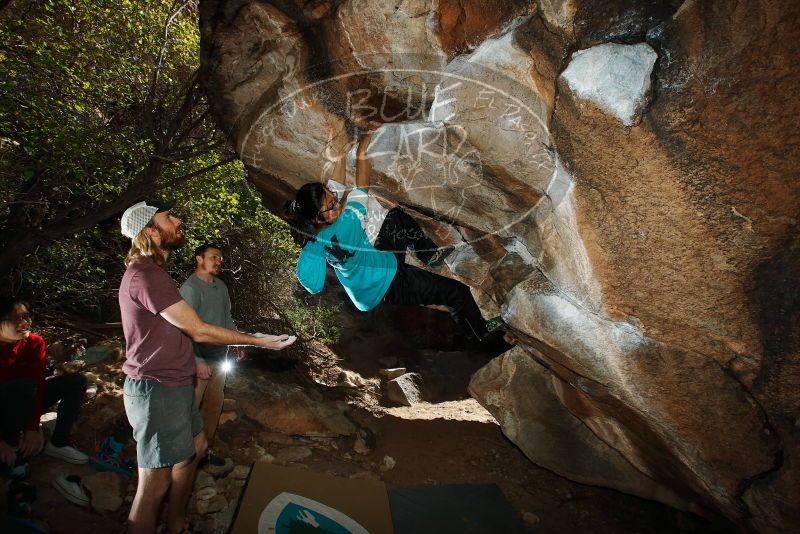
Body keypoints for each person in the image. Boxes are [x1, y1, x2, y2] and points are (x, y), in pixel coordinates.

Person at [118, 199, 295, 534]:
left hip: (175, 384)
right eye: (169, 217)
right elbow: (197, 328)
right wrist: (257, 340)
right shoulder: (146, 274)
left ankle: (177, 522)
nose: (178, 220)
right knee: (153, 486)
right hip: (156, 388)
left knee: (195, 448)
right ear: (150, 231)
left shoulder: (156, 274)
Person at [284, 132, 504, 341]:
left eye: (333, 198)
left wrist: (341, 154)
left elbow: (334, 188)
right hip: (389, 283)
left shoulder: (313, 234)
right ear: (318, 217)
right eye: (332, 205)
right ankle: (479, 331)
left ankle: (428, 255)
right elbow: (362, 186)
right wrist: (362, 149)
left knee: (395, 218)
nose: (337, 204)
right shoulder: (347, 223)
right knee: (457, 293)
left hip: (377, 265)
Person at [0, 296, 91, 506]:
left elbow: (39, 385)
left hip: (25, 399)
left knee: (75, 381)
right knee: (21, 387)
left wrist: (32, 428)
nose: (24, 323)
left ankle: (58, 441)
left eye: (26, 317)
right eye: (15, 318)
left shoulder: (34, 342)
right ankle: (11, 450)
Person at [179, 243, 239, 459]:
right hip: (198, 358)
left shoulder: (221, 287)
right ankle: (182, 452)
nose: (218, 262)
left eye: (220, 259)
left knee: (214, 404)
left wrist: (237, 343)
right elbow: (184, 328)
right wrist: (196, 360)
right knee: (190, 407)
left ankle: (204, 449)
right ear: (199, 259)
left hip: (219, 355)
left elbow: (226, 318)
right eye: (213, 257)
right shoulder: (190, 289)